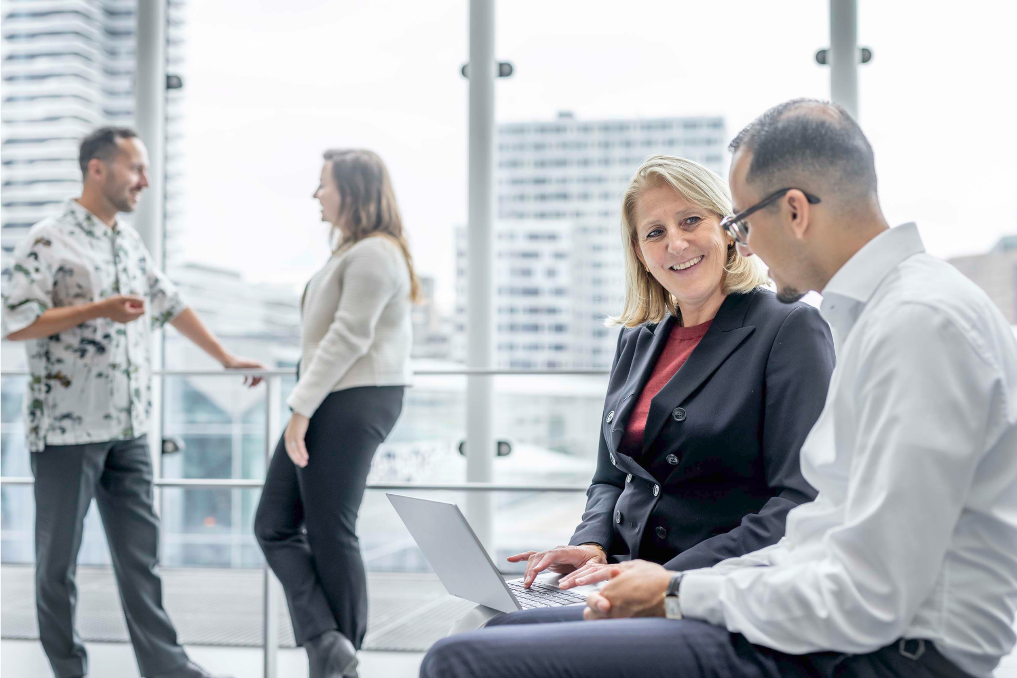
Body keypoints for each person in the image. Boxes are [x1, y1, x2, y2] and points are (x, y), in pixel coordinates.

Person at [419, 99, 1017, 678]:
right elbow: (826, 536)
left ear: (794, 212)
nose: (744, 243)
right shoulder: (890, 314)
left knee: (461, 660)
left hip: (892, 654)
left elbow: (868, 593)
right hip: (831, 618)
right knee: (493, 629)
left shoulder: (916, 325)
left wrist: (679, 591)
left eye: (739, 222)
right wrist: (662, 582)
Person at [459, 155, 835, 633]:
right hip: (620, 574)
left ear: (728, 230)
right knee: (479, 617)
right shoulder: (637, 339)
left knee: (485, 641)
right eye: (655, 232)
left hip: (710, 587)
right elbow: (609, 477)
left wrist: (667, 580)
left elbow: (802, 500)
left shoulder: (790, 326)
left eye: (691, 220)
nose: (675, 243)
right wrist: (591, 545)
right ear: (639, 252)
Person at [1, 126, 265, 678]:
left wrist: (224, 357)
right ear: (97, 169)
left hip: (129, 427)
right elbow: (14, 320)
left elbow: (169, 301)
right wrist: (96, 309)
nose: (145, 180)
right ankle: (68, 670)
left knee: (141, 560)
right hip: (66, 432)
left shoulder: (126, 240)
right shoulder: (48, 238)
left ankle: (168, 668)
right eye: (135, 168)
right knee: (57, 566)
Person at [254, 149, 418, 678]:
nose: (315, 194)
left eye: (323, 184)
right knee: (274, 524)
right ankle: (329, 644)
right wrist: (305, 404)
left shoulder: (376, 252)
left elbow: (349, 336)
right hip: (332, 395)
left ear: (352, 190)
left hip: (353, 397)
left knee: (330, 530)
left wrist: (300, 408)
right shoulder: (353, 251)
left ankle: (339, 656)